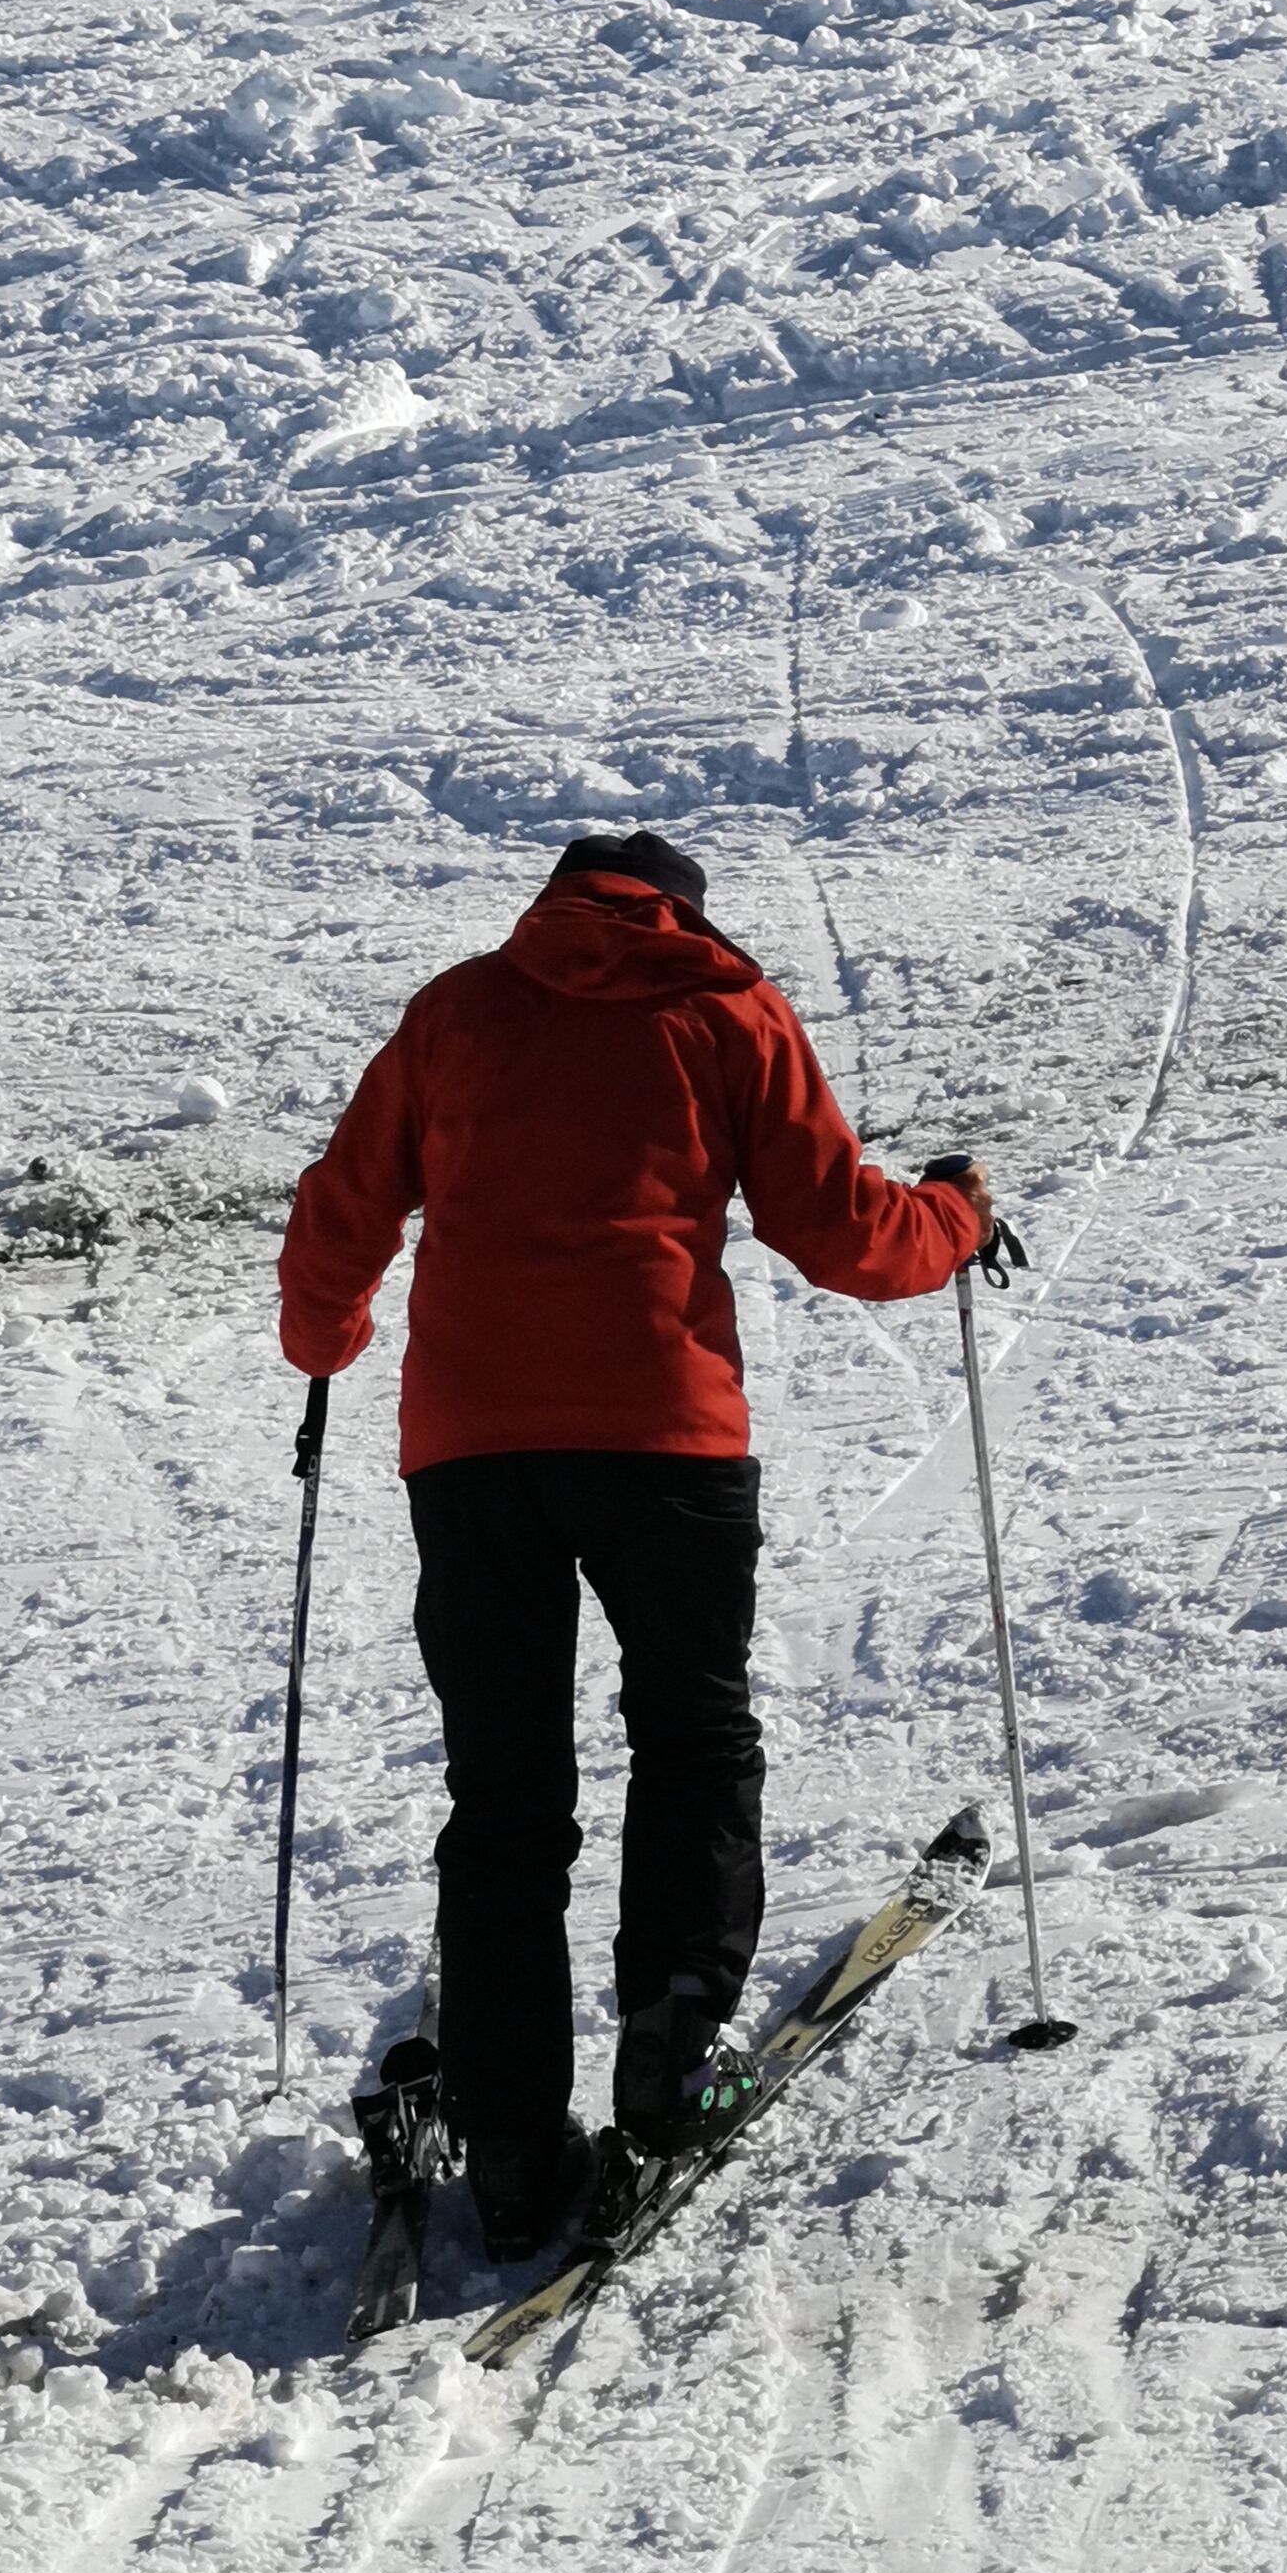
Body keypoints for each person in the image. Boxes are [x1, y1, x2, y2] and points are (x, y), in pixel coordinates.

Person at [276, 827, 990, 2261]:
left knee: (507, 1803)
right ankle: (667, 2065)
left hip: (472, 1457)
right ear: (680, 913)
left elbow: (342, 1207)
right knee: (691, 1739)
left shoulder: (455, 1013)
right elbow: (841, 1227)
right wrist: (959, 1219)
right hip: (665, 1446)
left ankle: (518, 2157)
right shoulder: (723, 1010)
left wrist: (326, 1339)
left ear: (554, 904)